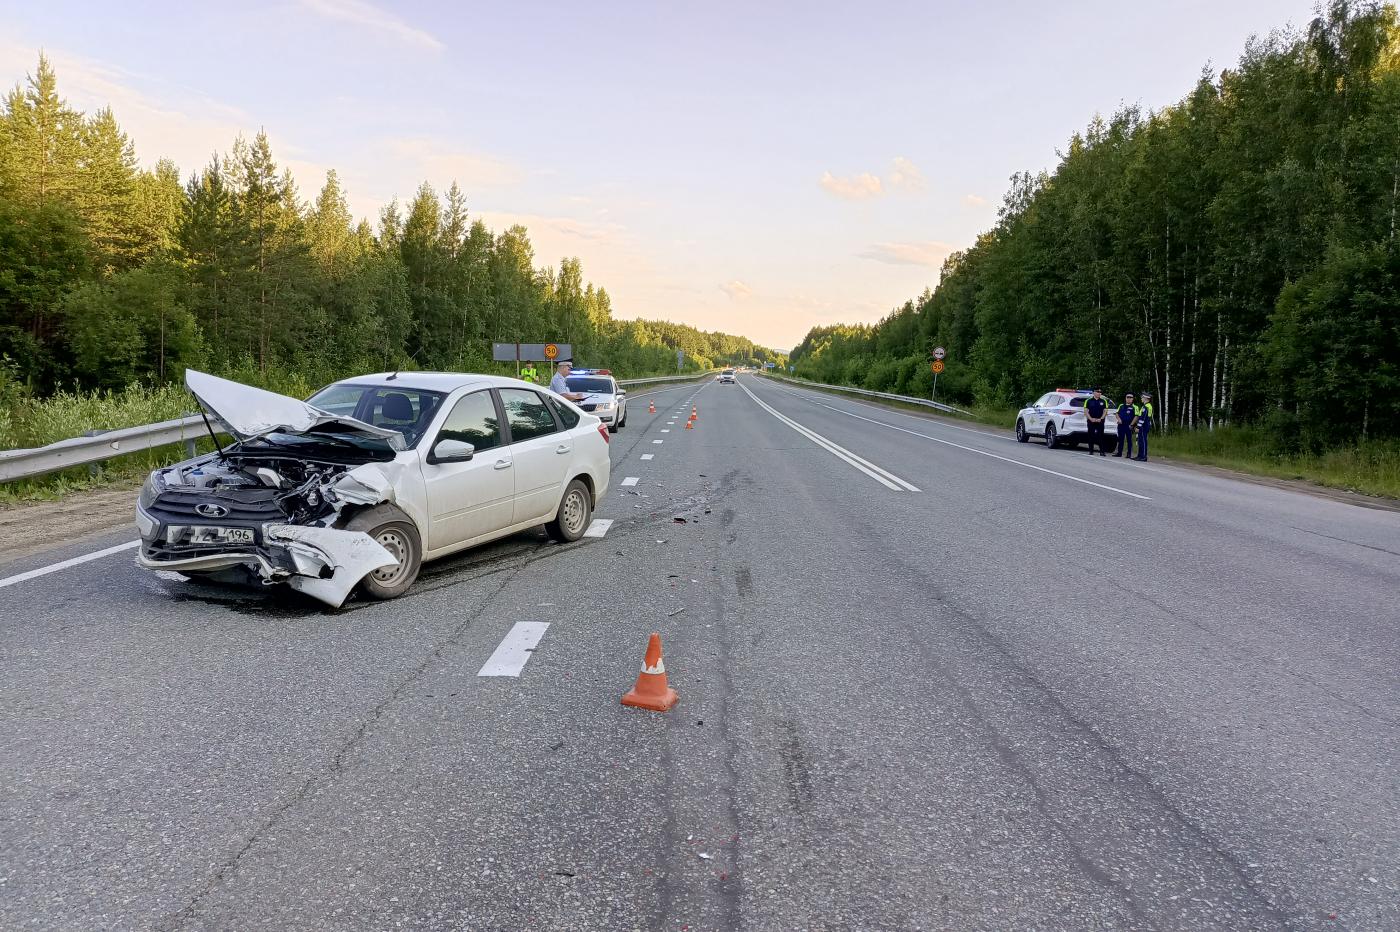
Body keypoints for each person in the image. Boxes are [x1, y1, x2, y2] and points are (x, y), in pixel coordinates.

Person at [1083, 387, 1108, 456]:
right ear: (1093, 392)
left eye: (1100, 392)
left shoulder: (1103, 401)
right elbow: (1086, 411)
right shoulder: (1088, 401)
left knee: (1101, 436)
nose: (1099, 393)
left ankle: (1102, 452)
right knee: (1091, 435)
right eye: (1097, 391)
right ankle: (1091, 450)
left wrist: (1101, 418)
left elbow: (1105, 411)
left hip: (1100, 421)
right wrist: (1091, 418)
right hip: (1091, 421)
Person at [1113, 392, 1137, 457]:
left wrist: (1132, 425)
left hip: (1129, 425)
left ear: (1133, 399)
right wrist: (1119, 419)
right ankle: (1119, 453)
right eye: (1127, 397)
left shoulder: (1135, 407)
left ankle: (1129, 454)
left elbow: (1136, 416)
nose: (1129, 399)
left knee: (1129, 440)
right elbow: (1117, 413)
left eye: (1130, 398)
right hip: (1121, 425)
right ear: (1125, 398)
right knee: (1121, 439)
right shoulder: (1121, 405)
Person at [1134, 391, 1154, 461]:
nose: (1141, 399)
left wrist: (1138, 427)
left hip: (1143, 426)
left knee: (1143, 441)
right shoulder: (1145, 406)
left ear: (1146, 398)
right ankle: (1139, 455)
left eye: (1142, 397)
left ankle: (1144, 456)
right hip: (1143, 425)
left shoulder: (1146, 407)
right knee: (1140, 441)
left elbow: (1143, 418)